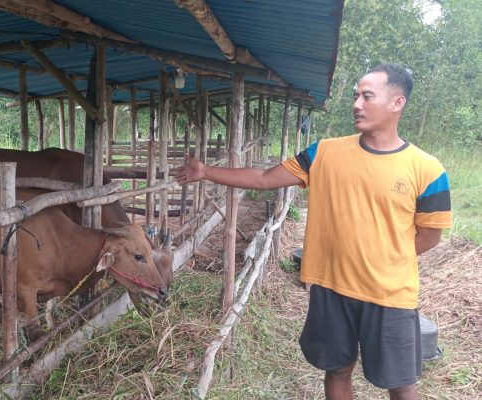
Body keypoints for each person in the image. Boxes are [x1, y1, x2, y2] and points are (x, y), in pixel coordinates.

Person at [173, 63, 451, 400]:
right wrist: (205, 171)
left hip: (390, 294)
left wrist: (383, 257)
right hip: (332, 287)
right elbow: (264, 179)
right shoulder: (325, 152)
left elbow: (429, 236)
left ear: (397, 102)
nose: (357, 104)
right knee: (336, 368)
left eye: (367, 96)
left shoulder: (428, 170)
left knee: (401, 382)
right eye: (355, 96)